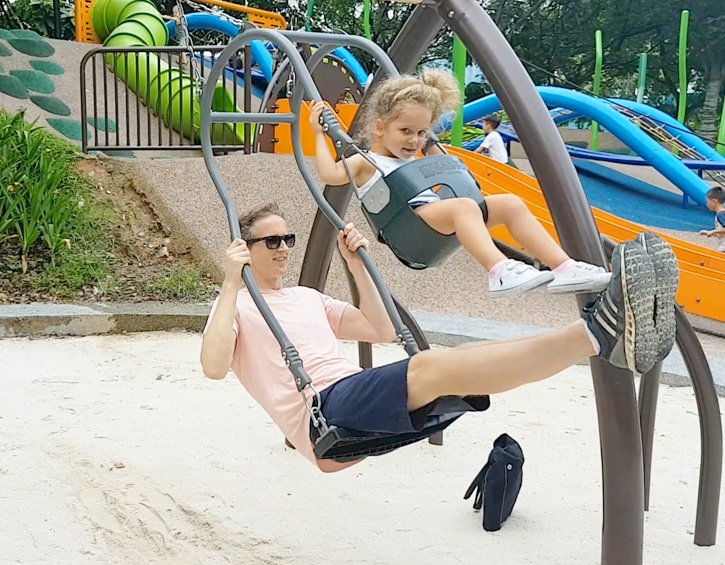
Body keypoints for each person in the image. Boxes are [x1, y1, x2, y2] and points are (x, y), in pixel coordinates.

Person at [200, 201, 679, 474]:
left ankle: (597, 338)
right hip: (325, 417)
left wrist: (355, 269)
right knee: (431, 366)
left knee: (458, 368)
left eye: (289, 239)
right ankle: (597, 332)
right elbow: (215, 366)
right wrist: (229, 282)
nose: (283, 249)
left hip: (354, 407)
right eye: (271, 242)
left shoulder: (307, 297)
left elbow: (380, 329)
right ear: (245, 250)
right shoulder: (238, 305)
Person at [308, 70, 611, 299]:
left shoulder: (416, 156)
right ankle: (499, 270)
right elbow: (329, 174)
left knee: (510, 203)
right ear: (379, 127)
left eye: (421, 133)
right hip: (410, 230)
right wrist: (320, 135)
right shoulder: (365, 161)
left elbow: (450, 173)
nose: (414, 140)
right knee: (464, 208)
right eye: (405, 131)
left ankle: (563, 267)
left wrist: (433, 147)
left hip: (438, 220)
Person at [699, 186, 725, 253]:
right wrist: (711, 233)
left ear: (714, 201)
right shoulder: (721, 214)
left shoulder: (721, 215)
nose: (707, 204)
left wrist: (713, 232)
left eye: (708, 202)